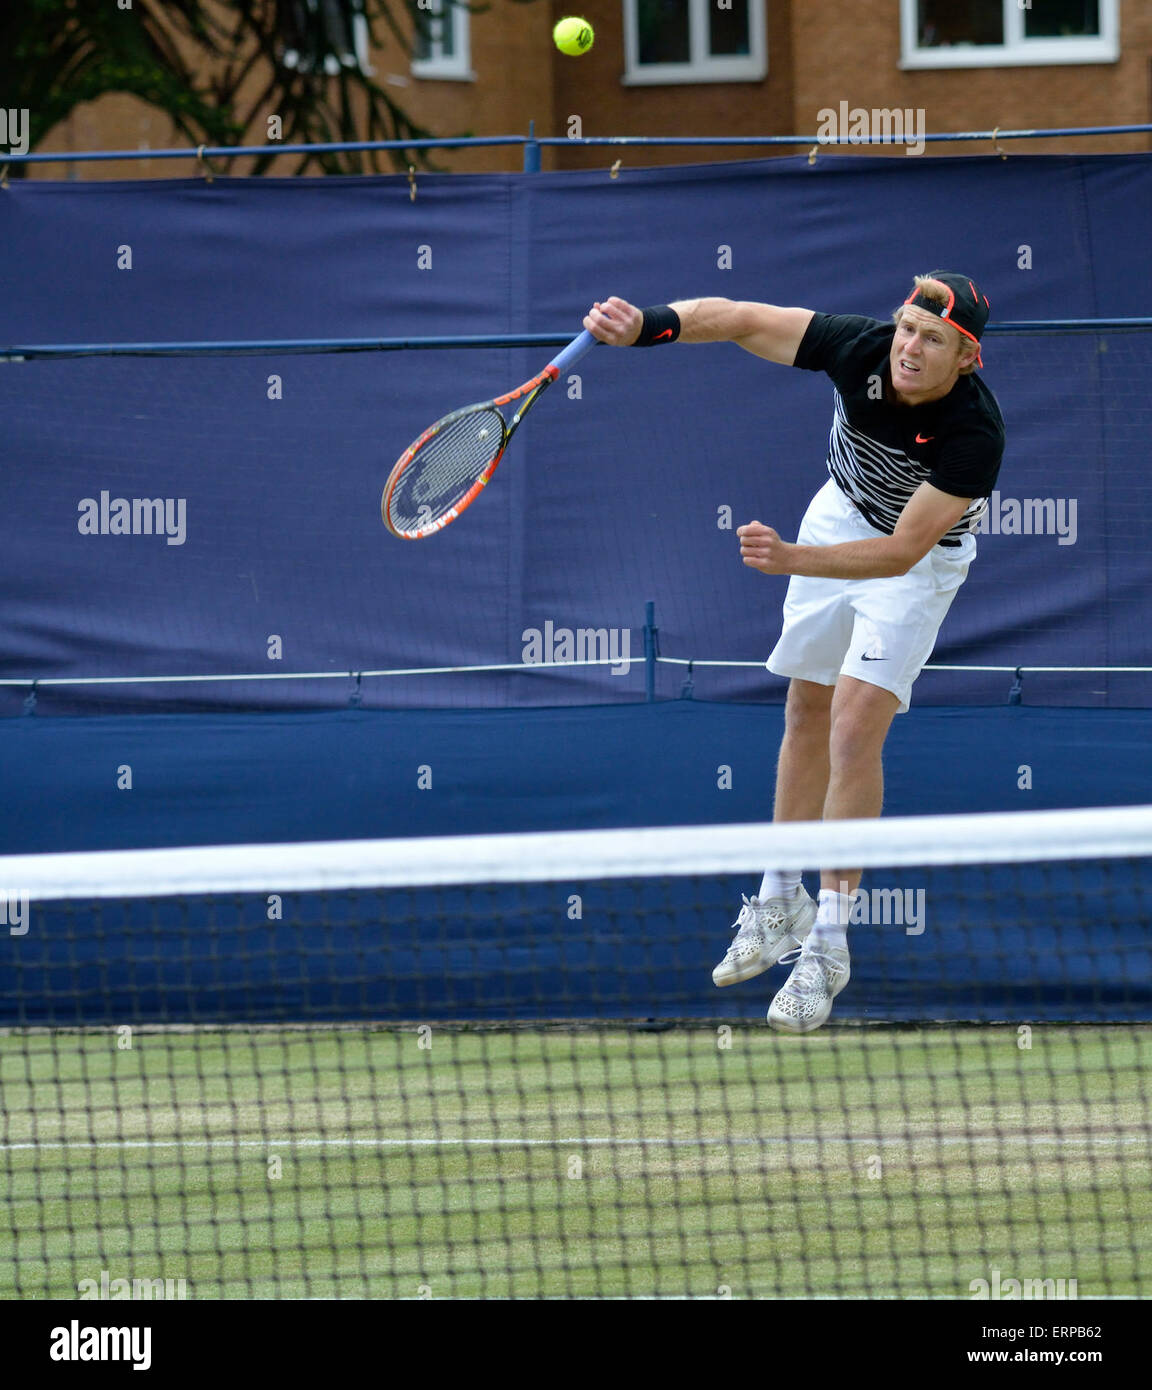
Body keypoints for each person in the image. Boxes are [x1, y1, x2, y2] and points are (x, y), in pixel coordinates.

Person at [584, 273, 1005, 1033]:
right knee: (807, 709)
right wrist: (648, 324)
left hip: (916, 563)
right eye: (908, 327)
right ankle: (781, 896)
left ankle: (830, 943)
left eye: (933, 339)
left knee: (853, 727)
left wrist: (789, 560)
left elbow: (901, 553)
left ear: (966, 357)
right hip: (839, 513)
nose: (910, 347)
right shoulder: (859, 347)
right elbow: (740, 317)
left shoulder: (975, 432)